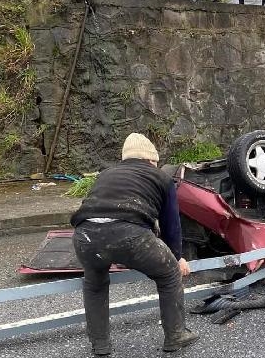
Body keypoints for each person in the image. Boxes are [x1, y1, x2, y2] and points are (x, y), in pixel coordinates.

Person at [70, 133, 198, 355]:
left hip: (85, 235)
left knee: (95, 285)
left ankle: (100, 345)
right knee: (169, 275)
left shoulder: (106, 173)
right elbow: (171, 225)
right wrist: (176, 257)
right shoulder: (161, 177)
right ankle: (176, 335)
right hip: (128, 234)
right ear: (151, 160)